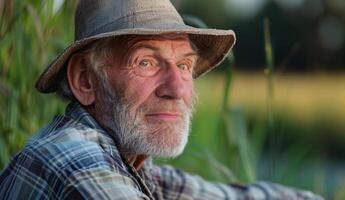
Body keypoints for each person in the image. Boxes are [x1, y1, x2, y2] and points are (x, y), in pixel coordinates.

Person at [0, 0, 323, 199]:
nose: (178, 89)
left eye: (184, 65)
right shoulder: (73, 159)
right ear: (86, 80)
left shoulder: (134, 166)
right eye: (146, 62)